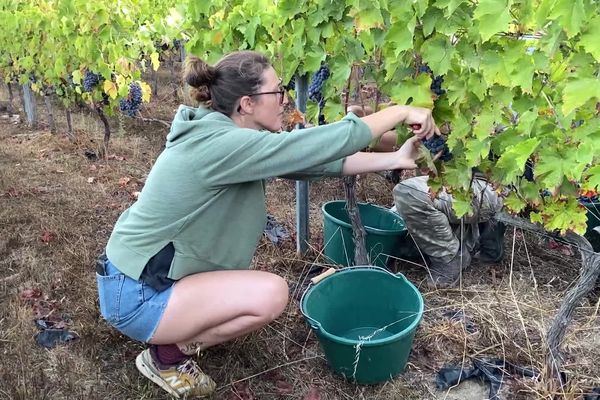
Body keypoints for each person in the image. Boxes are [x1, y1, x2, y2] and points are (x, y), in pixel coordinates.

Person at [96, 50, 440, 398]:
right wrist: (398, 111)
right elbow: (316, 144)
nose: (284, 99)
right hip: (136, 294)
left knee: (264, 293)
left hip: (143, 278)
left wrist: (395, 157)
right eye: (277, 91)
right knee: (269, 294)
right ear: (246, 103)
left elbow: (313, 162)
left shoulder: (229, 138)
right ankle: (167, 355)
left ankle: (175, 331)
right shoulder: (222, 145)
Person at [347, 104, 506, 289]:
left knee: (409, 193)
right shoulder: (438, 96)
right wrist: (362, 127)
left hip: (492, 186)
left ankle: (451, 259)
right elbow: (402, 139)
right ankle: (477, 239)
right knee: (397, 225)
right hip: (456, 180)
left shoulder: (497, 104)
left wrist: (361, 129)